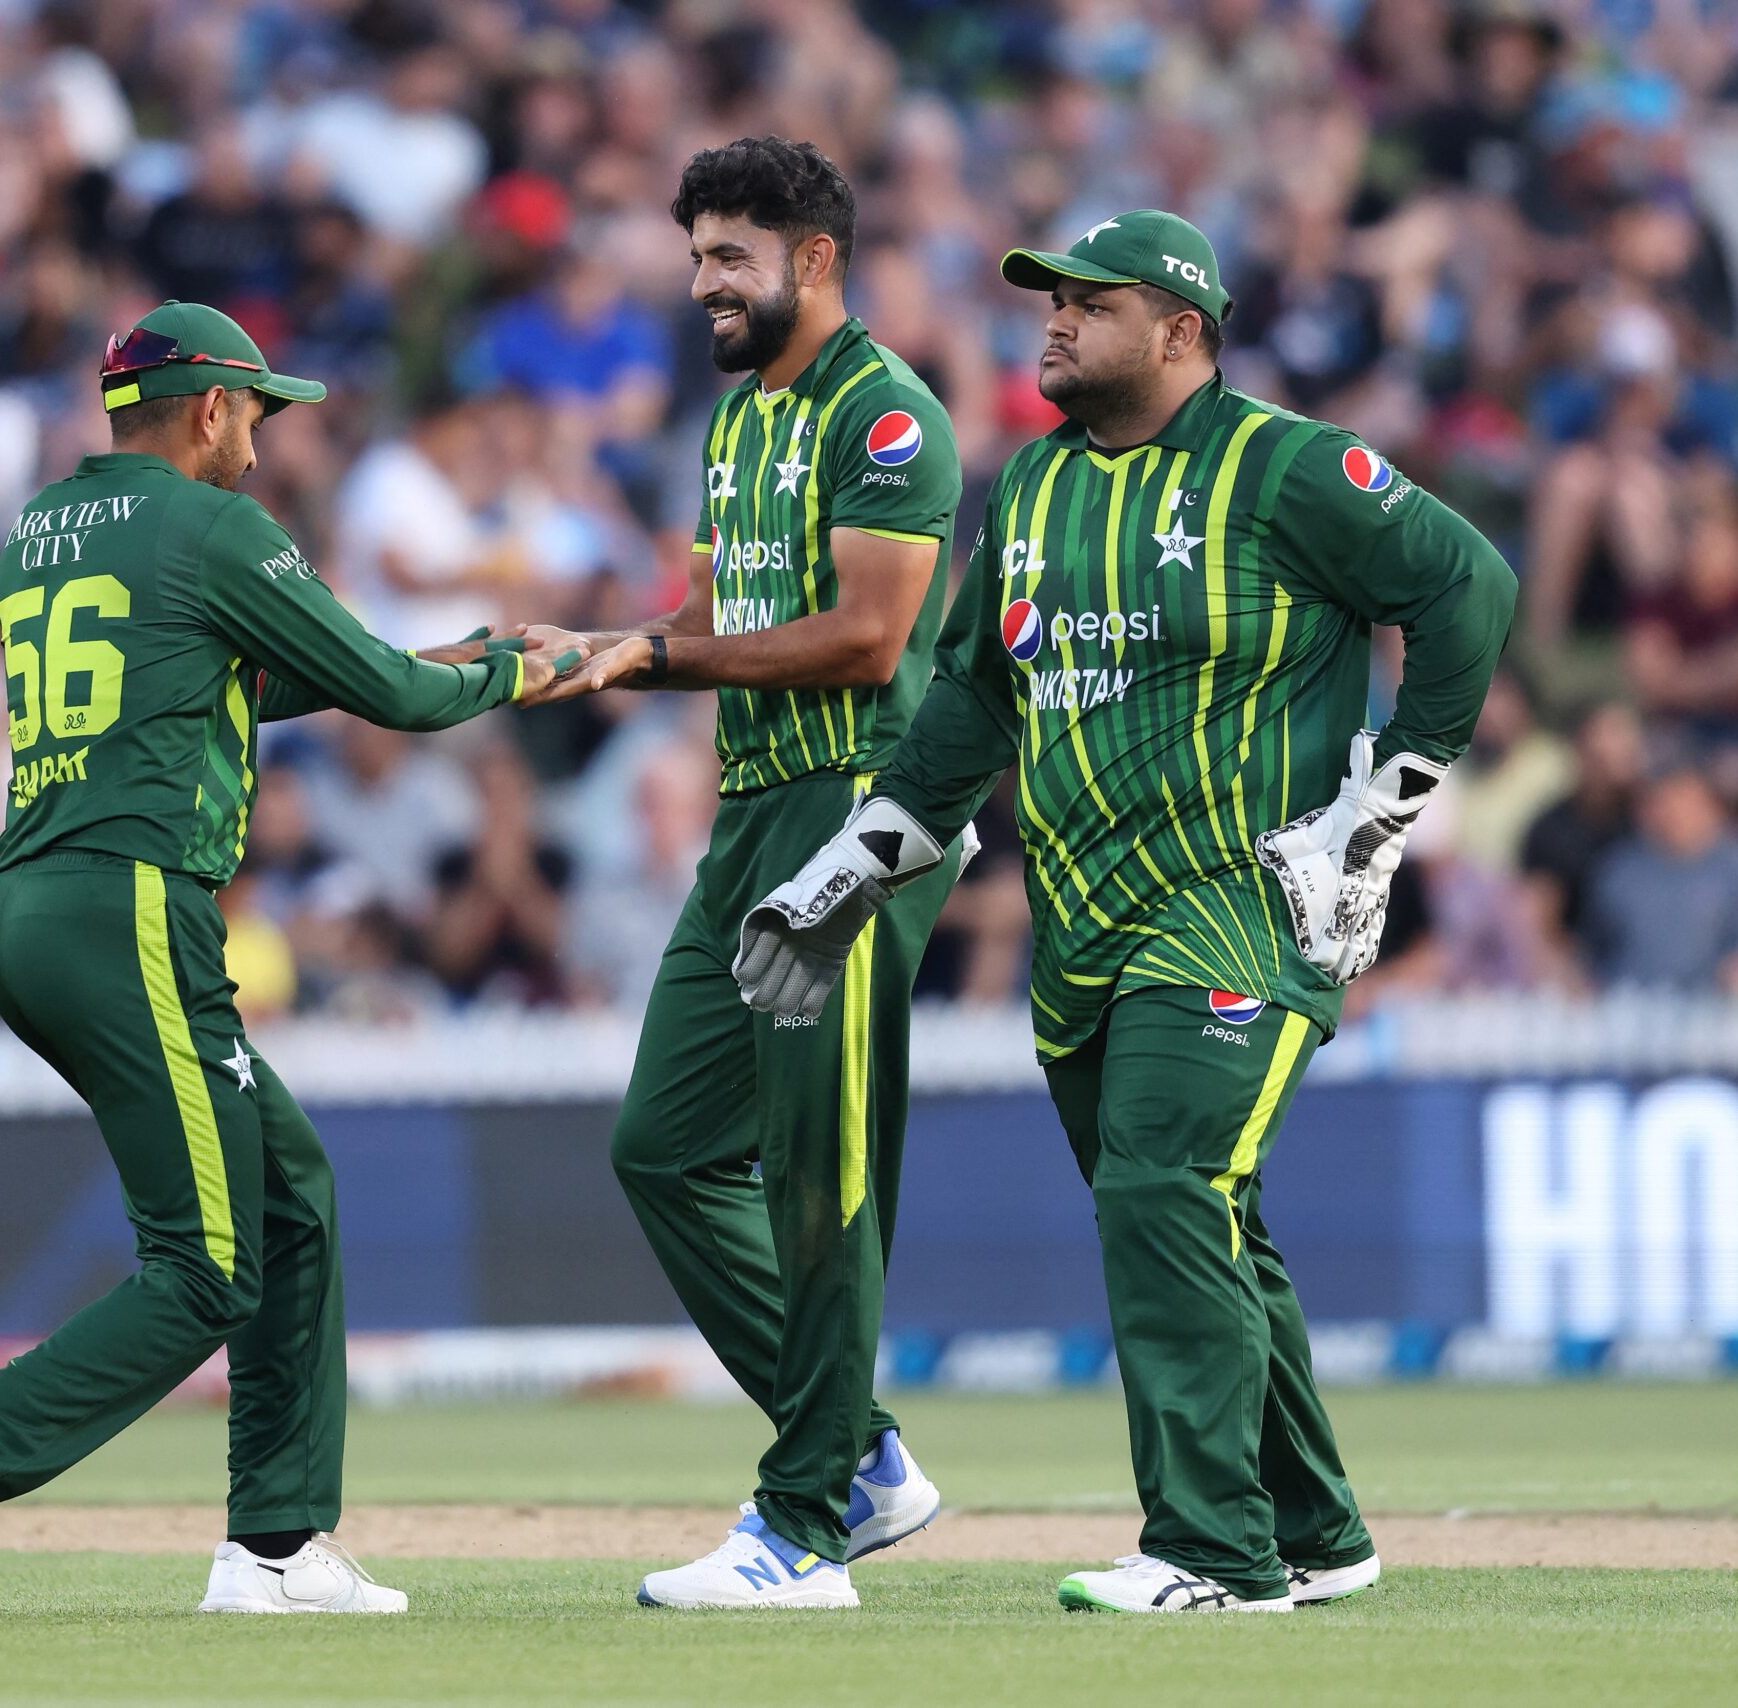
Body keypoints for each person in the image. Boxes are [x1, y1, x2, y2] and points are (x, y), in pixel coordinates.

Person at [736, 210, 1516, 1613]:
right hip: (1082, 920)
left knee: (1164, 1183)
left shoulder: (1287, 465)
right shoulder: (1032, 483)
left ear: (1180, 331)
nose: (1055, 320)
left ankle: (1213, 1553)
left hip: (1244, 899)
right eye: (1050, 298)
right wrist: (855, 864)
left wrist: (1385, 801)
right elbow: (971, 699)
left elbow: (1469, 586)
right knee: (1196, 1210)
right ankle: (1316, 1531)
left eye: (1091, 304)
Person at [0, 300, 576, 1622]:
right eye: (257, 413)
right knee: (207, 1266)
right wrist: (509, 671)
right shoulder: (214, 524)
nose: (262, 442)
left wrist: (430, 656)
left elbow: (224, 676)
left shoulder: (44, 527)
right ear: (213, 406)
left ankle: (276, 1545)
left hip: (43, 905)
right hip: (127, 904)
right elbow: (389, 697)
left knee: (289, 1201)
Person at [529, 137, 975, 1610]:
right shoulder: (738, 422)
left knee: (816, 1172)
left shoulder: (886, 414)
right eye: (698, 256)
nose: (703, 284)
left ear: (816, 260)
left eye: (731, 257)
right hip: (750, 811)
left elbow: (867, 638)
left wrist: (658, 659)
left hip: (856, 812)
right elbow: (719, 612)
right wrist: (612, 646)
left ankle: (804, 1530)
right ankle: (864, 1458)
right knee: (663, 1145)